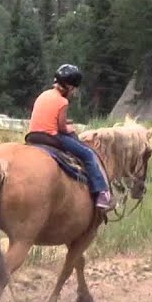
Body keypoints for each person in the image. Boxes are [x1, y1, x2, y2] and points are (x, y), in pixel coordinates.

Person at [28, 64, 115, 210]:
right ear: (68, 86)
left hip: (33, 135)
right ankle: (101, 193)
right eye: (74, 88)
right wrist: (69, 128)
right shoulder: (63, 101)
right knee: (87, 154)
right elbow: (61, 127)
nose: (74, 91)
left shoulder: (44, 95)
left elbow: (48, 116)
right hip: (50, 137)